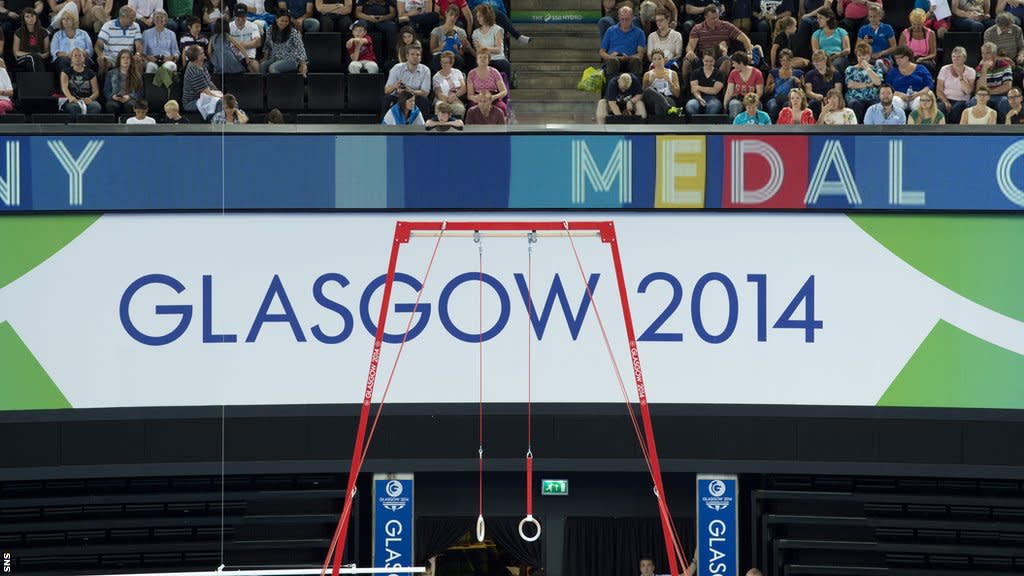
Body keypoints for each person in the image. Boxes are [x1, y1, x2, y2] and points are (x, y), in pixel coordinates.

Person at [681, 5, 752, 78]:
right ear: (706, 17)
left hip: (719, 58)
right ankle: (686, 87)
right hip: (703, 59)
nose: (716, 20)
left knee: (726, 60)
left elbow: (745, 39)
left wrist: (749, 53)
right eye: (713, 18)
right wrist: (690, 52)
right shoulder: (697, 28)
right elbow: (691, 45)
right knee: (687, 60)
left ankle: (721, 85)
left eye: (717, 17)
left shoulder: (726, 26)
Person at [600, 5, 646, 77]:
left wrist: (628, 57)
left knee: (636, 60)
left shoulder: (639, 32)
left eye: (627, 19)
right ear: (619, 18)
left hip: (630, 60)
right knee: (612, 62)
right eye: (622, 19)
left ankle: (635, 85)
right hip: (614, 59)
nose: (624, 22)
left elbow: (640, 55)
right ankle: (611, 85)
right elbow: (602, 52)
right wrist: (610, 57)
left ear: (632, 18)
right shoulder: (610, 31)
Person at [384, 42, 432, 112]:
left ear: (420, 58)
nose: (415, 56)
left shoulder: (425, 70)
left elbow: (425, 92)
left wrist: (411, 91)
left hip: (415, 97)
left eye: (418, 55)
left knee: (423, 100)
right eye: (412, 54)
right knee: (387, 99)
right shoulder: (397, 68)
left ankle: (422, 123)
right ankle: (384, 122)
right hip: (398, 96)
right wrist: (395, 85)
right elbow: (386, 90)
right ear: (407, 56)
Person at [96, 6, 143, 76]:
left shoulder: (136, 26)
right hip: (111, 57)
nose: (134, 20)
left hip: (128, 57)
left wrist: (138, 54)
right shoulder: (108, 26)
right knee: (102, 61)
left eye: (134, 17)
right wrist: (100, 55)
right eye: (131, 18)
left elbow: (139, 45)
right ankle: (102, 85)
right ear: (122, 17)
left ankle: (138, 85)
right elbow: (98, 45)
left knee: (139, 61)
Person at [886, 44, 934, 110]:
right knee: (894, 101)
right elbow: (887, 88)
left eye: (901, 57)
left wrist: (918, 94)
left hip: (917, 95)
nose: (898, 60)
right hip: (900, 97)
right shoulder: (893, 72)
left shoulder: (921, 68)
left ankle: (917, 120)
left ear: (908, 57)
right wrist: (899, 94)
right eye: (896, 58)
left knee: (919, 102)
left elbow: (929, 85)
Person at [974, 40, 1013, 121]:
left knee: (1005, 102)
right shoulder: (979, 68)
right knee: (973, 101)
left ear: (994, 54)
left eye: (987, 53)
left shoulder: (1005, 65)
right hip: (984, 96)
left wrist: (990, 92)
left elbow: (1007, 86)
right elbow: (979, 89)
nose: (984, 56)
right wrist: (984, 70)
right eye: (983, 53)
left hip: (1001, 96)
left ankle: (1004, 129)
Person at [262, 9, 309, 74]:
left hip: (291, 59)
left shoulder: (293, 32)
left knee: (273, 68)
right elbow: (267, 45)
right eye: (282, 20)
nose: (284, 23)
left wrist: (303, 64)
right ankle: (265, 84)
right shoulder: (270, 29)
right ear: (276, 19)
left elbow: (300, 47)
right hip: (275, 57)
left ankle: (278, 84)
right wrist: (265, 58)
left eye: (286, 21)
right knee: (262, 65)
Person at [935, 45, 974, 123]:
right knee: (940, 107)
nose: (956, 59)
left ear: (964, 58)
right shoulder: (944, 69)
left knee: (957, 109)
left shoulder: (970, 71)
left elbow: (968, 91)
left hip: (962, 100)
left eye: (959, 57)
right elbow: (939, 90)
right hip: (945, 98)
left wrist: (961, 76)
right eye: (954, 56)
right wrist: (946, 101)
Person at [844, 41, 882, 121]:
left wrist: (867, 69)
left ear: (869, 56)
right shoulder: (850, 69)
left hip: (872, 97)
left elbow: (878, 82)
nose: (862, 58)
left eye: (864, 55)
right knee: (854, 104)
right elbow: (850, 84)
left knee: (876, 105)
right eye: (859, 55)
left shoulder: (876, 68)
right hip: (855, 97)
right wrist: (868, 84)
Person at [722, 50, 763, 119]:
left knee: (756, 106)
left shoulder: (757, 73)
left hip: (752, 99)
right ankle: (734, 127)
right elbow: (729, 91)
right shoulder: (733, 73)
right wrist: (725, 103)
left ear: (740, 63)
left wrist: (749, 102)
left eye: (734, 63)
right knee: (734, 105)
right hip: (738, 98)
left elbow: (759, 92)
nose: (733, 65)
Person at [471, 3, 509, 77]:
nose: (477, 18)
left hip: (498, 58)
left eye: (480, 16)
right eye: (477, 16)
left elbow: (498, 49)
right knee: (477, 63)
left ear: (486, 16)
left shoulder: (497, 29)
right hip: (484, 59)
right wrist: (486, 49)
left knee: (504, 64)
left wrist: (483, 48)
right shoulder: (475, 33)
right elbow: (479, 51)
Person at [765, 48, 804, 119]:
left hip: (790, 99)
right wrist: (774, 85)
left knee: (787, 105)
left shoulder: (798, 73)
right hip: (775, 98)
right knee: (773, 107)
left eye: (788, 60)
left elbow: (802, 93)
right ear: (780, 61)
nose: (785, 63)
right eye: (783, 60)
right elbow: (766, 91)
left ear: (791, 60)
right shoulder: (774, 72)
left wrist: (798, 84)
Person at [60, 47, 101, 115]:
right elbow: (64, 87)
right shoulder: (65, 72)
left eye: (80, 55)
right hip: (71, 99)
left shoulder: (91, 73)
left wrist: (90, 99)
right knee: (74, 107)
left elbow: (96, 92)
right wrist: (70, 97)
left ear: (84, 58)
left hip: (86, 100)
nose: (77, 58)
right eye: (75, 55)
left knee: (96, 106)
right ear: (71, 58)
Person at [642, 48, 681, 118]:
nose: (657, 61)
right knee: (649, 90)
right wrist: (650, 82)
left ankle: (667, 110)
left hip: (668, 98)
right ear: (652, 61)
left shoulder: (672, 73)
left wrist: (670, 82)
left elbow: (677, 94)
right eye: (655, 59)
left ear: (664, 59)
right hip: (652, 101)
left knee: (659, 106)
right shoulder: (647, 74)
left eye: (659, 59)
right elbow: (644, 93)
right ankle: (669, 108)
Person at [686, 48, 725, 116]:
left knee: (714, 106)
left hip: (713, 98)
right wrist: (700, 98)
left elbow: (714, 90)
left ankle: (708, 124)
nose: (708, 63)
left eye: (711, 61)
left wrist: (698, 87)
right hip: (697, 97)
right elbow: (694, 90)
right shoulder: (696, 73)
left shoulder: (719, 74)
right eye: (706, 61)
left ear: (714, 61)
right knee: (690, 106)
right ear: (702, 60)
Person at [429, 5, 470, 70]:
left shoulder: (461, 32)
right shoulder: (436, 30)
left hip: (455, 55)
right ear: (446, 13)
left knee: (458, 59)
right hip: (441, 54)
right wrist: (440, 48)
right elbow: (432, 50)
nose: (453, 18)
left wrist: (457, 49)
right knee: (436, 58)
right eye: (451, 15)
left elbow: (463, 52)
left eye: (455, 16)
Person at [804, 49, 843, 116]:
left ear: (825, 60)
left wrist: (829, 99)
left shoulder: (835, 74)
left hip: (832, 99)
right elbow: (808, 92)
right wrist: (815, 96)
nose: (816, 63)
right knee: (813, 103)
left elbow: (838, 91)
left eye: (818, 61)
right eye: (814, 61)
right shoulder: (809, 74)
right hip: (817, 99)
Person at [466, 49, 506, 113]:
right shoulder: (471, 73)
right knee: (473, 109)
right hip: (479, 97)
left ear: (489, 60)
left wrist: (494, 97)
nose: (482, 59)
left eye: (485, 57)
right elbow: (469, 95)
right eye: (480, 57)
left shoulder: (494, 72)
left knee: (501, 107)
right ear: (477, 59)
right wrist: (474, 98)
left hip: (492, 96)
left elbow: (504, 91)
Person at [181, 44, 219, 112]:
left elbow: (209, 82)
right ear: (197, 57)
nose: (204, 54)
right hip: (191, 102)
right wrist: (221, 99)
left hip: (203, 97)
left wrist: (218, 92)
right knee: (219, 104)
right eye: (202, 53)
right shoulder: (195, 73)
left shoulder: (201, 65)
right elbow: (207, 92)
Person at [103, 49, 142, 113]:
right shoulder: (111, 73)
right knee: (111, 105)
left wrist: (129, 97)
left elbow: (140, 92)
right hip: (115, 98)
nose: (125, 60)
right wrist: (113, 97)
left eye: (128, 58)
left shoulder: (137, 74)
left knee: (130, 105)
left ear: (131, 61)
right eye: (123, 57)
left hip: (130, 98)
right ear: (119, 60)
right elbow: (106, 91)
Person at [899, 8, 937, 73]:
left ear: (924, 22)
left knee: (923, 65)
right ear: (910, 23)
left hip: (925, 60)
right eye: (914, 24)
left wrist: (922, 59)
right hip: (909, 60)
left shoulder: (931, 33)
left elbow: (933, 54)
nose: (916, 27)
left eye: (919, 24)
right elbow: (900, 53)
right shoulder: (904, 34)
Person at [228, 4, 262, 72]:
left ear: (246, 15)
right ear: (234, 15)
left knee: (254, 65)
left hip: (250, 57)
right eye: (238, 17)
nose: (240, 19)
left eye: (242, 17)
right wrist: (250, 44)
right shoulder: (228, 27)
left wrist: (239, 46)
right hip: (233, 57)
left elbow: (257, 42)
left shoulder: (253, 25)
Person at [13, 7, 48, 71]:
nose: (30, 19)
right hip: (23, 57)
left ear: (36, 17)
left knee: (31, 63)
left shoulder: (43, 32)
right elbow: (16, 52)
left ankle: (36, 79)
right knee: (33, 57)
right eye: (27, 16)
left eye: (32, 16)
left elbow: (47, 52)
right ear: (23, 18)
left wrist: (42, 55)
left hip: (39, 58)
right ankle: (40, 78)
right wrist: (32, 54)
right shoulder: (19, 32)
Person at [432, 49, 465, 115]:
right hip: (442, 100)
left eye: (446, 63)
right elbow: (438, 93)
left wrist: (455, 96)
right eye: (442, 62)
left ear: (451, 63)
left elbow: (463, 88)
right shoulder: (436, 76)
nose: (444, 65)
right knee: (441, 109)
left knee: (460, 109)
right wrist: (448, 100)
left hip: (456, 98)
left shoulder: (457, 72)